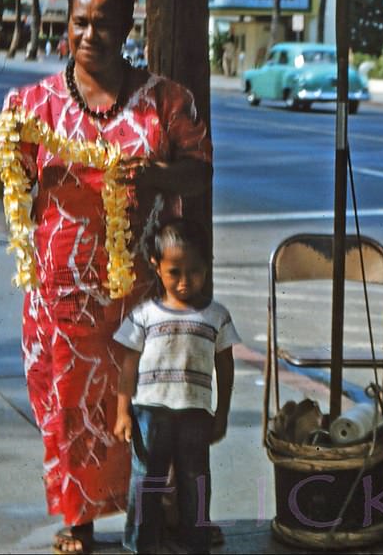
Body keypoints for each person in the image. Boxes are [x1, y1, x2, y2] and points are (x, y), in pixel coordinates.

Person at [0, 0, 212, 555]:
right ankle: (75, 520)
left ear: (128, 27)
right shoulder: (31, 104)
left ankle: (154, 515)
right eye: (80, 23)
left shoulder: (167, 101)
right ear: (68, 25)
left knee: (146, 406)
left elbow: (198, 175)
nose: (90, 35)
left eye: (104, 24)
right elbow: (6, 176)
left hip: (140, 291)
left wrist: (155, 175)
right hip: (57, 293)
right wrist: (9, 164)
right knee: (64, 406)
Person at [113, 219, 239, 554]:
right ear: (156, 266)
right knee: (146, 480)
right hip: (150, 413)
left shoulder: (216, 316)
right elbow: (129, 364)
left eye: (195, 271)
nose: (185, 282)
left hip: (195, 414)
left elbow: (225, 366)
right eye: (175, 272)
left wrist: (222, 413)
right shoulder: (145, 315)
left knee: (194, 480)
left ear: (208, 266)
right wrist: (122, 411)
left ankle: (195, 543)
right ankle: (142, 543)